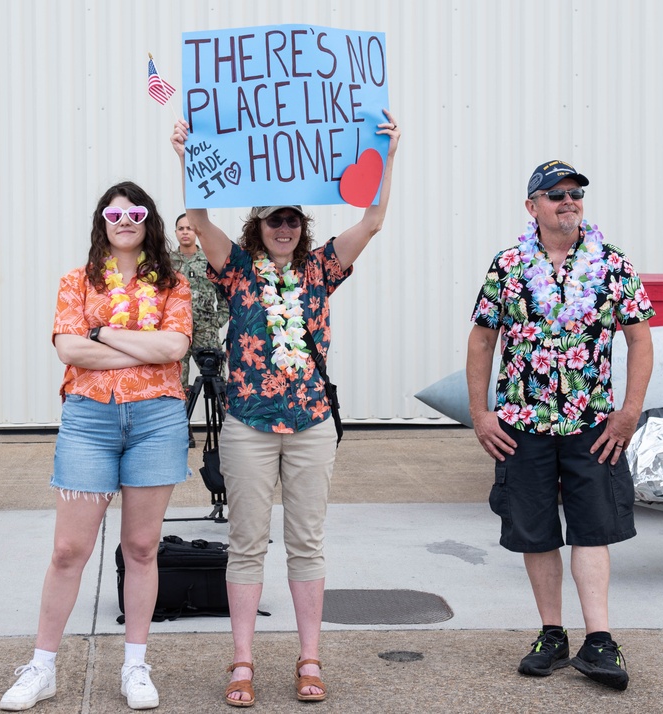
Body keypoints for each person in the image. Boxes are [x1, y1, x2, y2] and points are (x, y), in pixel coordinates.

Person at [170, 111, 400, 707]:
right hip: (248, 424)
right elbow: (196, 218)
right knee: (247, 542)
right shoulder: (238, 272)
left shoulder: (322, 268)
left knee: (307, 542)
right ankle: (242, 661)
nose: (284, 228)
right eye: (274, 218)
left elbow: (373, 220)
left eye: (293, 219)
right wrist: (187, 156)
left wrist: (388, 155)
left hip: (311, 426)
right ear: (259, 224)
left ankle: (309, 656)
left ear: (303, 225)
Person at [0, 181, 191, 712]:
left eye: (135, 211)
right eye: (114, 211)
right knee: (68, 551)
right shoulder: (74, 281)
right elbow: (69, 348)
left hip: (156, 420)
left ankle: (135, 666)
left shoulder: (173, 284)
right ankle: (42, 667)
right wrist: (139, 351)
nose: (124, 219)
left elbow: (175, 345)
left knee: (142, 548)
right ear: (101, 220)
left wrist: (102, 334)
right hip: (89, 420)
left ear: (147, 220)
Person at [466, 160, 654, 691]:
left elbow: (639, 338)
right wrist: (481, 414)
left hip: (593, 422)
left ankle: (600, 641)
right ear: (533, 207)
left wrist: (630, 411)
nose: (568, 201)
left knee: (593, 527)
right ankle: (552, 633)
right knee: (535, 529)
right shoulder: (507, 266)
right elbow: (482, 340)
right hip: (522, 422)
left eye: (575, 194)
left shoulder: (613, 264)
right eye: (556, 195)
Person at [169, 213, 230, 446]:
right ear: (176, 232)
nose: (185, 232)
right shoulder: (167, 262)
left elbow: (224, 295)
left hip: (205, 329)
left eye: (189, 228)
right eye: (181, 228)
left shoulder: (209, 260)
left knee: (217, 381)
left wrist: (218, 321)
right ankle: (181, 430)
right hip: (176, 330)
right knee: (177, 381)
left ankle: (226, 426)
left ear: (196, 232)